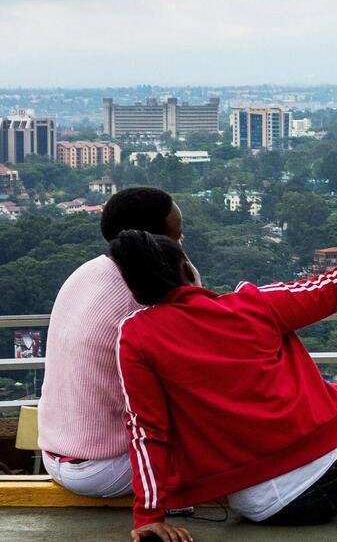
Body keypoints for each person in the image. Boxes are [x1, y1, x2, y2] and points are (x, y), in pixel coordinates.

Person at [110, 214, 337, 541]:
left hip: (271, 505)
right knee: (334, 393)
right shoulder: (253, 305)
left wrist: (148, 516)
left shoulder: (137, 336)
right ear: (187, 270)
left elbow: (147, 431)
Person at [39, 187, 196, 498]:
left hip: (57, 454)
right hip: (104, 465)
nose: (181, 243)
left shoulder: (87, 272)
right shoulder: (144, 298)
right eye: (176, 237)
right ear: (155, 244)